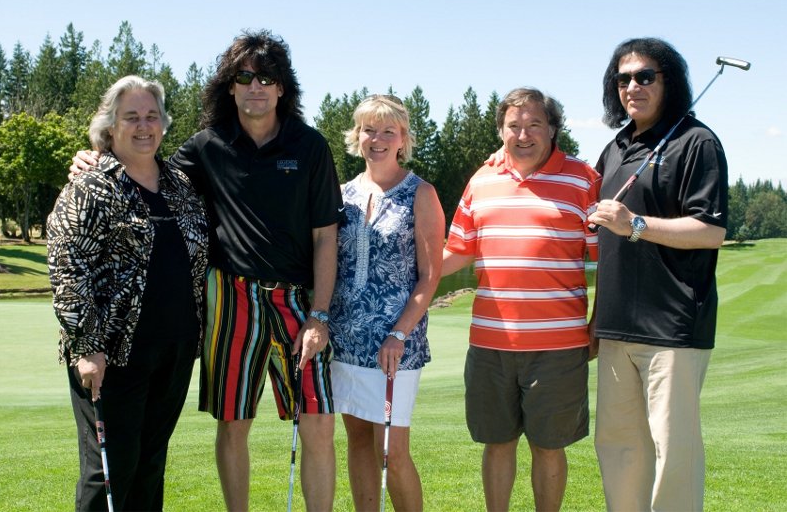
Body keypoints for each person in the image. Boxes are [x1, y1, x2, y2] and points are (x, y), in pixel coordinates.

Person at [70, 30, 342, 512]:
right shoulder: (206, 146)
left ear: (282, 87)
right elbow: (143, 167)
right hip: (231, 300)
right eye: (244, 77)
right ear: (230, 86)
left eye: (267, 77)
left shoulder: (311, 146)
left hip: (300, 303)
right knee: (233, 423)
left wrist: (320, 315)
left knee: (318, 421)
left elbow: (326, 236)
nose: (255, 86)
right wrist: (95, 157)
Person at [48, 75, 209, 511]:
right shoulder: (89, 186)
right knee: (109, 470)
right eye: (131, 117)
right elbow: (67, 268)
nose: (144, 126)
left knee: (151, 463)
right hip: (110, 354)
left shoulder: (181, 185)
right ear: (110, 126)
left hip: (174, 350)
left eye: (152, 116)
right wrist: (87, 346)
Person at [441, 87, 601, 511]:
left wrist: (597, 323)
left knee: (549, 447)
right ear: (501, 131)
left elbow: (607, 259)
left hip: (558, 347)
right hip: (490, 343)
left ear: (552, 129)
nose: (524, 134)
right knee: (497, 443)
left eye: (534, 124)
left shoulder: (583, 179)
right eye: (514, 125)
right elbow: (458, 250)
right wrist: (409, 277)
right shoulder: (482, 178)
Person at [587, 37, 728, 511]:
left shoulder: (696, 141)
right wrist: (594, 318)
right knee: (620, 449)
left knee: (673, 452)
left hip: (671, 327)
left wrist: (636, 225)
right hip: (614, 328)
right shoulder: (616, 147)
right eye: (623, 78)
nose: (633, 86)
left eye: (646, 76)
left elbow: (709, 230)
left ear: (669, 81)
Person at [329, 95, 444, 511]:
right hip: (345, 340)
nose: (376, 138)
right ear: (357, 136)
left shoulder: (421, 193)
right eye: (368, 129)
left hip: (395, 345)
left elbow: (430, 275)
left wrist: (399, 332)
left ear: (402, 140)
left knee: (391, 453)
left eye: (387, 131)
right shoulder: (341, 194)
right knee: (358, 442)